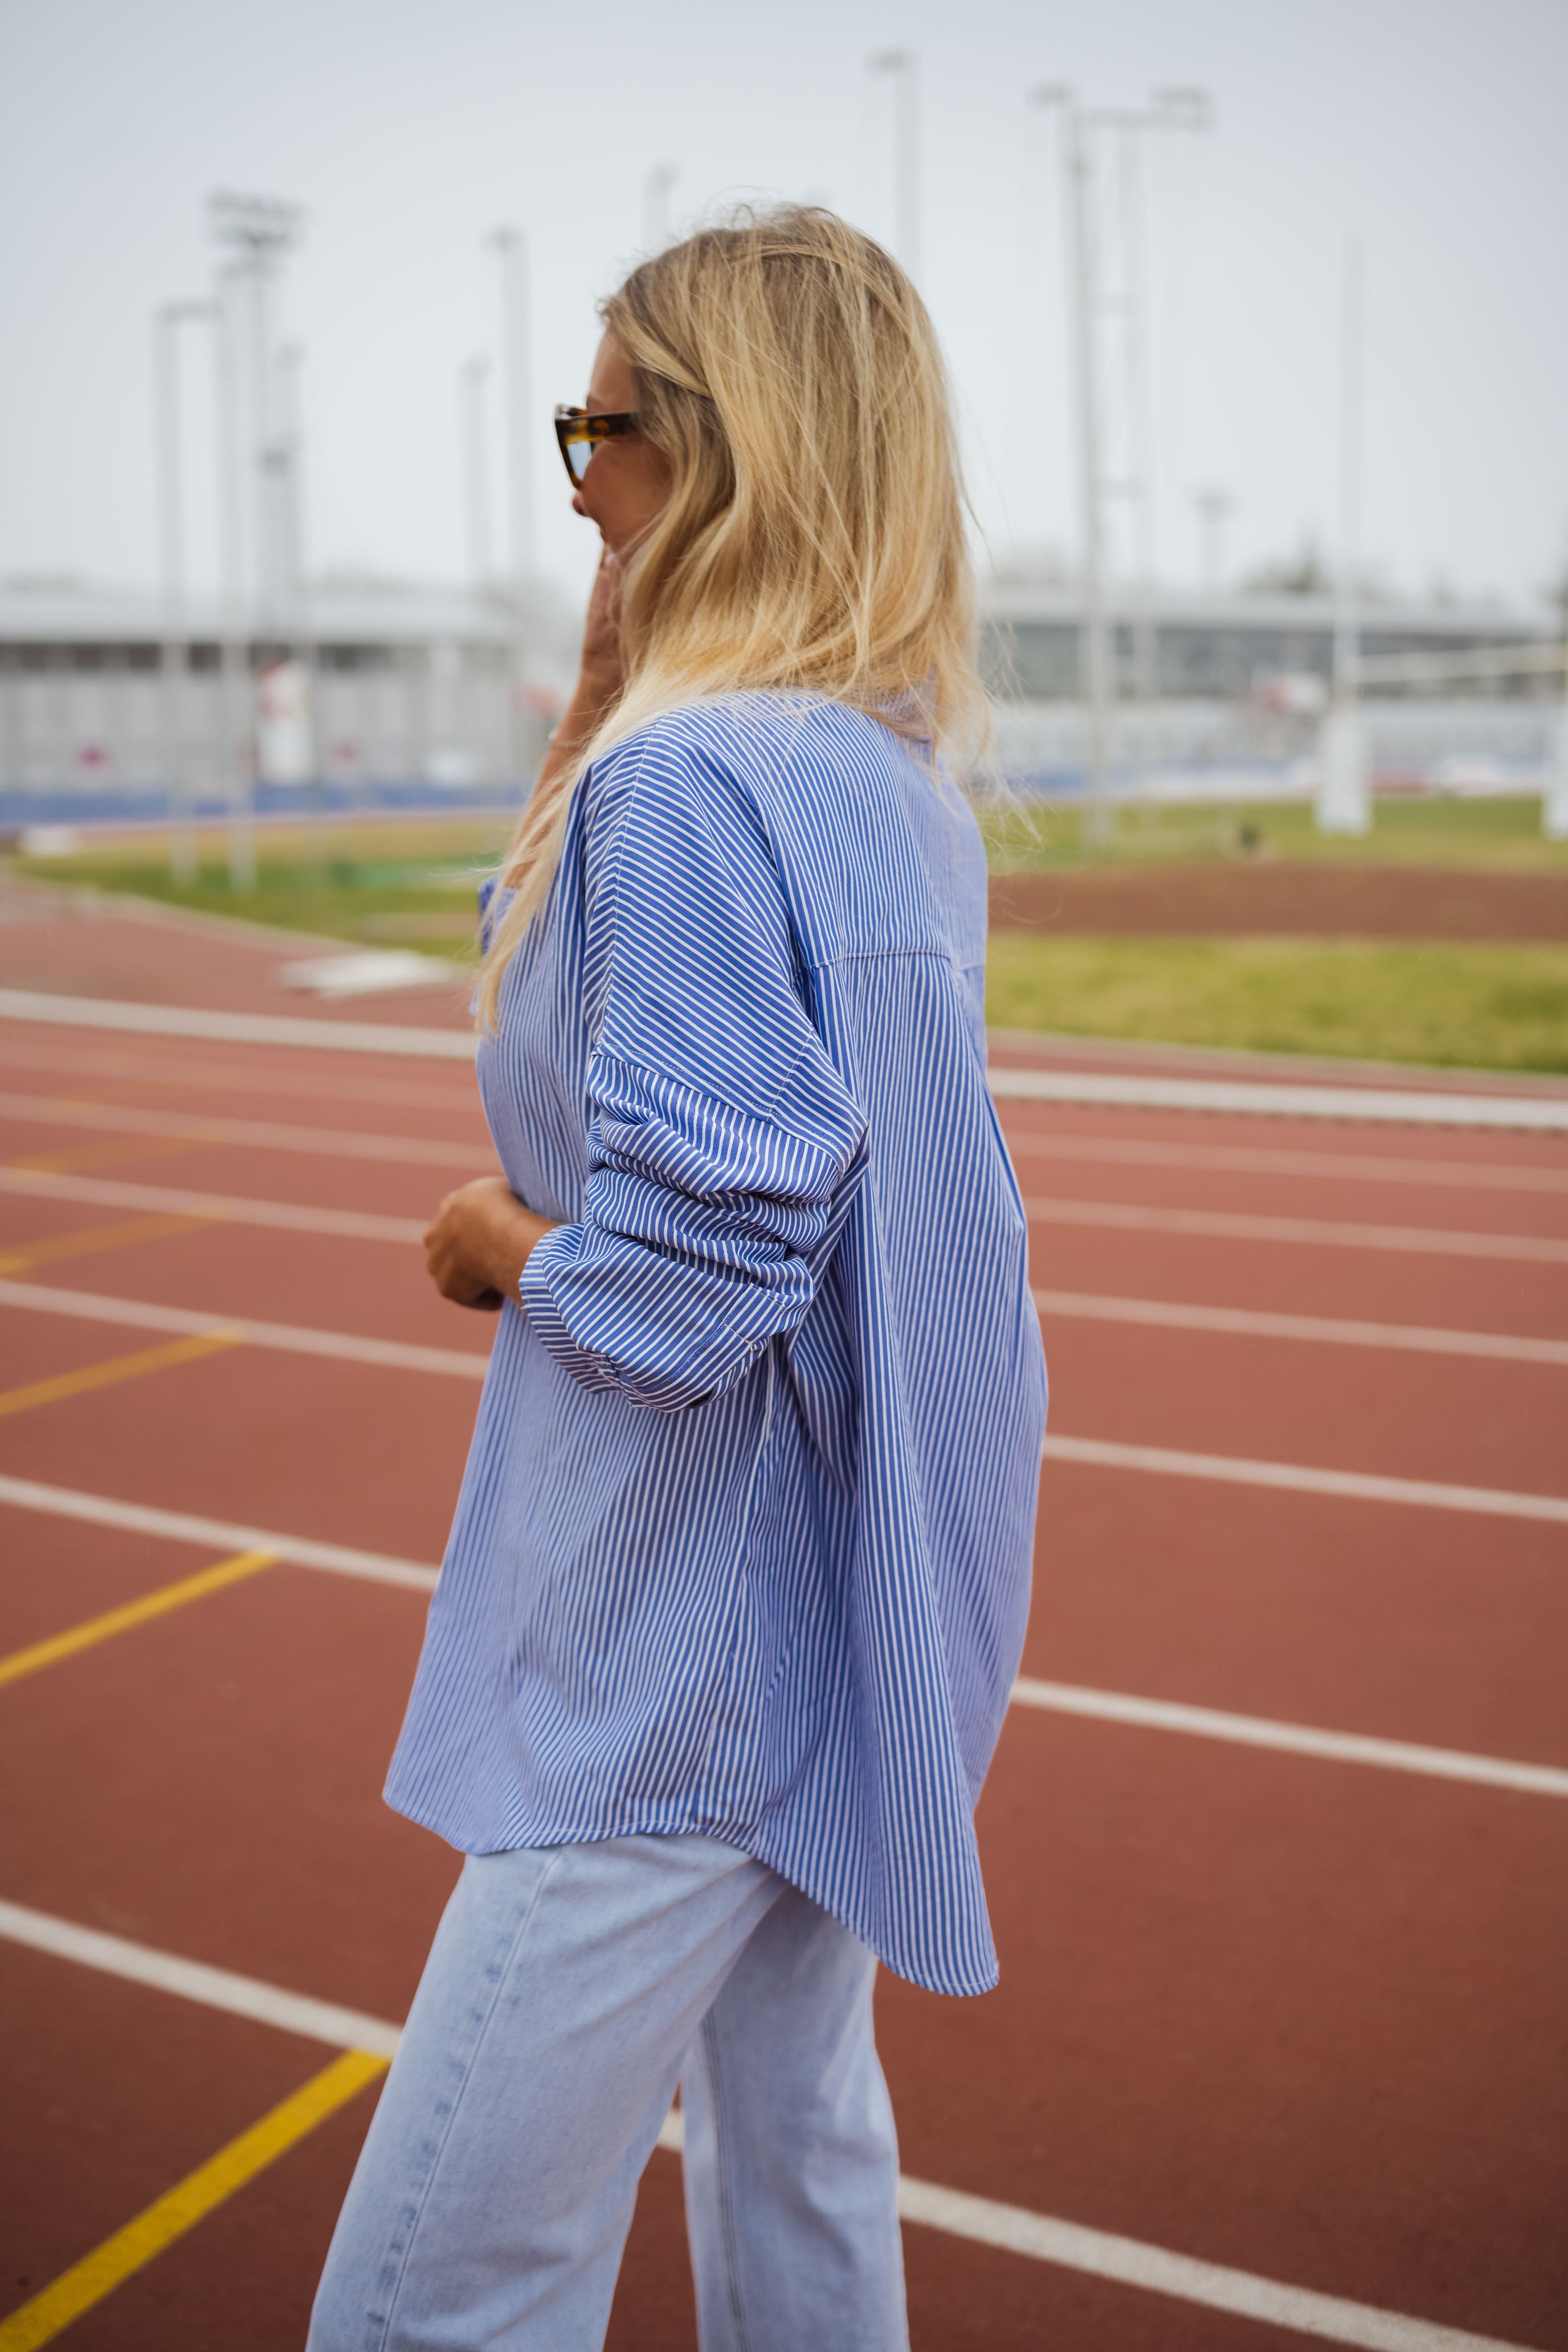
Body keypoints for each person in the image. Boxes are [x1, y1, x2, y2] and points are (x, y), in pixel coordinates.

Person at [307, 207, 1047, 2352]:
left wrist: (501, 1248)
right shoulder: (888, 787)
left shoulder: (695, 791)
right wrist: (607, 682)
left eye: (599, 428)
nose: (571, 483)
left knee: (439, 2289)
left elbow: (709, 1260)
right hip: (842, 1596)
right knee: (799, 2169)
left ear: (716, 452)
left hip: (673, 1654)